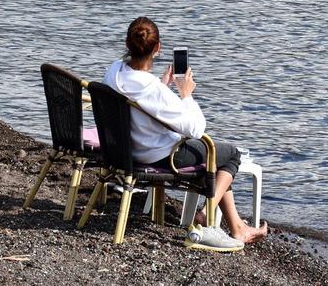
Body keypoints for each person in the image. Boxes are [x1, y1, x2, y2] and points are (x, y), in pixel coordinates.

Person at [104, 16, 268, 248]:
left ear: (127, 44)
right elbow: (196, 128)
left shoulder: (114, 71)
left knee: (215, 160)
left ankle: (238, 228)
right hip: (159, 156)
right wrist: (186, 93)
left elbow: (143, 102)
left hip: (124, 149)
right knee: (230, 154)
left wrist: (163, 86)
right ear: (157, 48)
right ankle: (206, 214)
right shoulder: (151, 89)